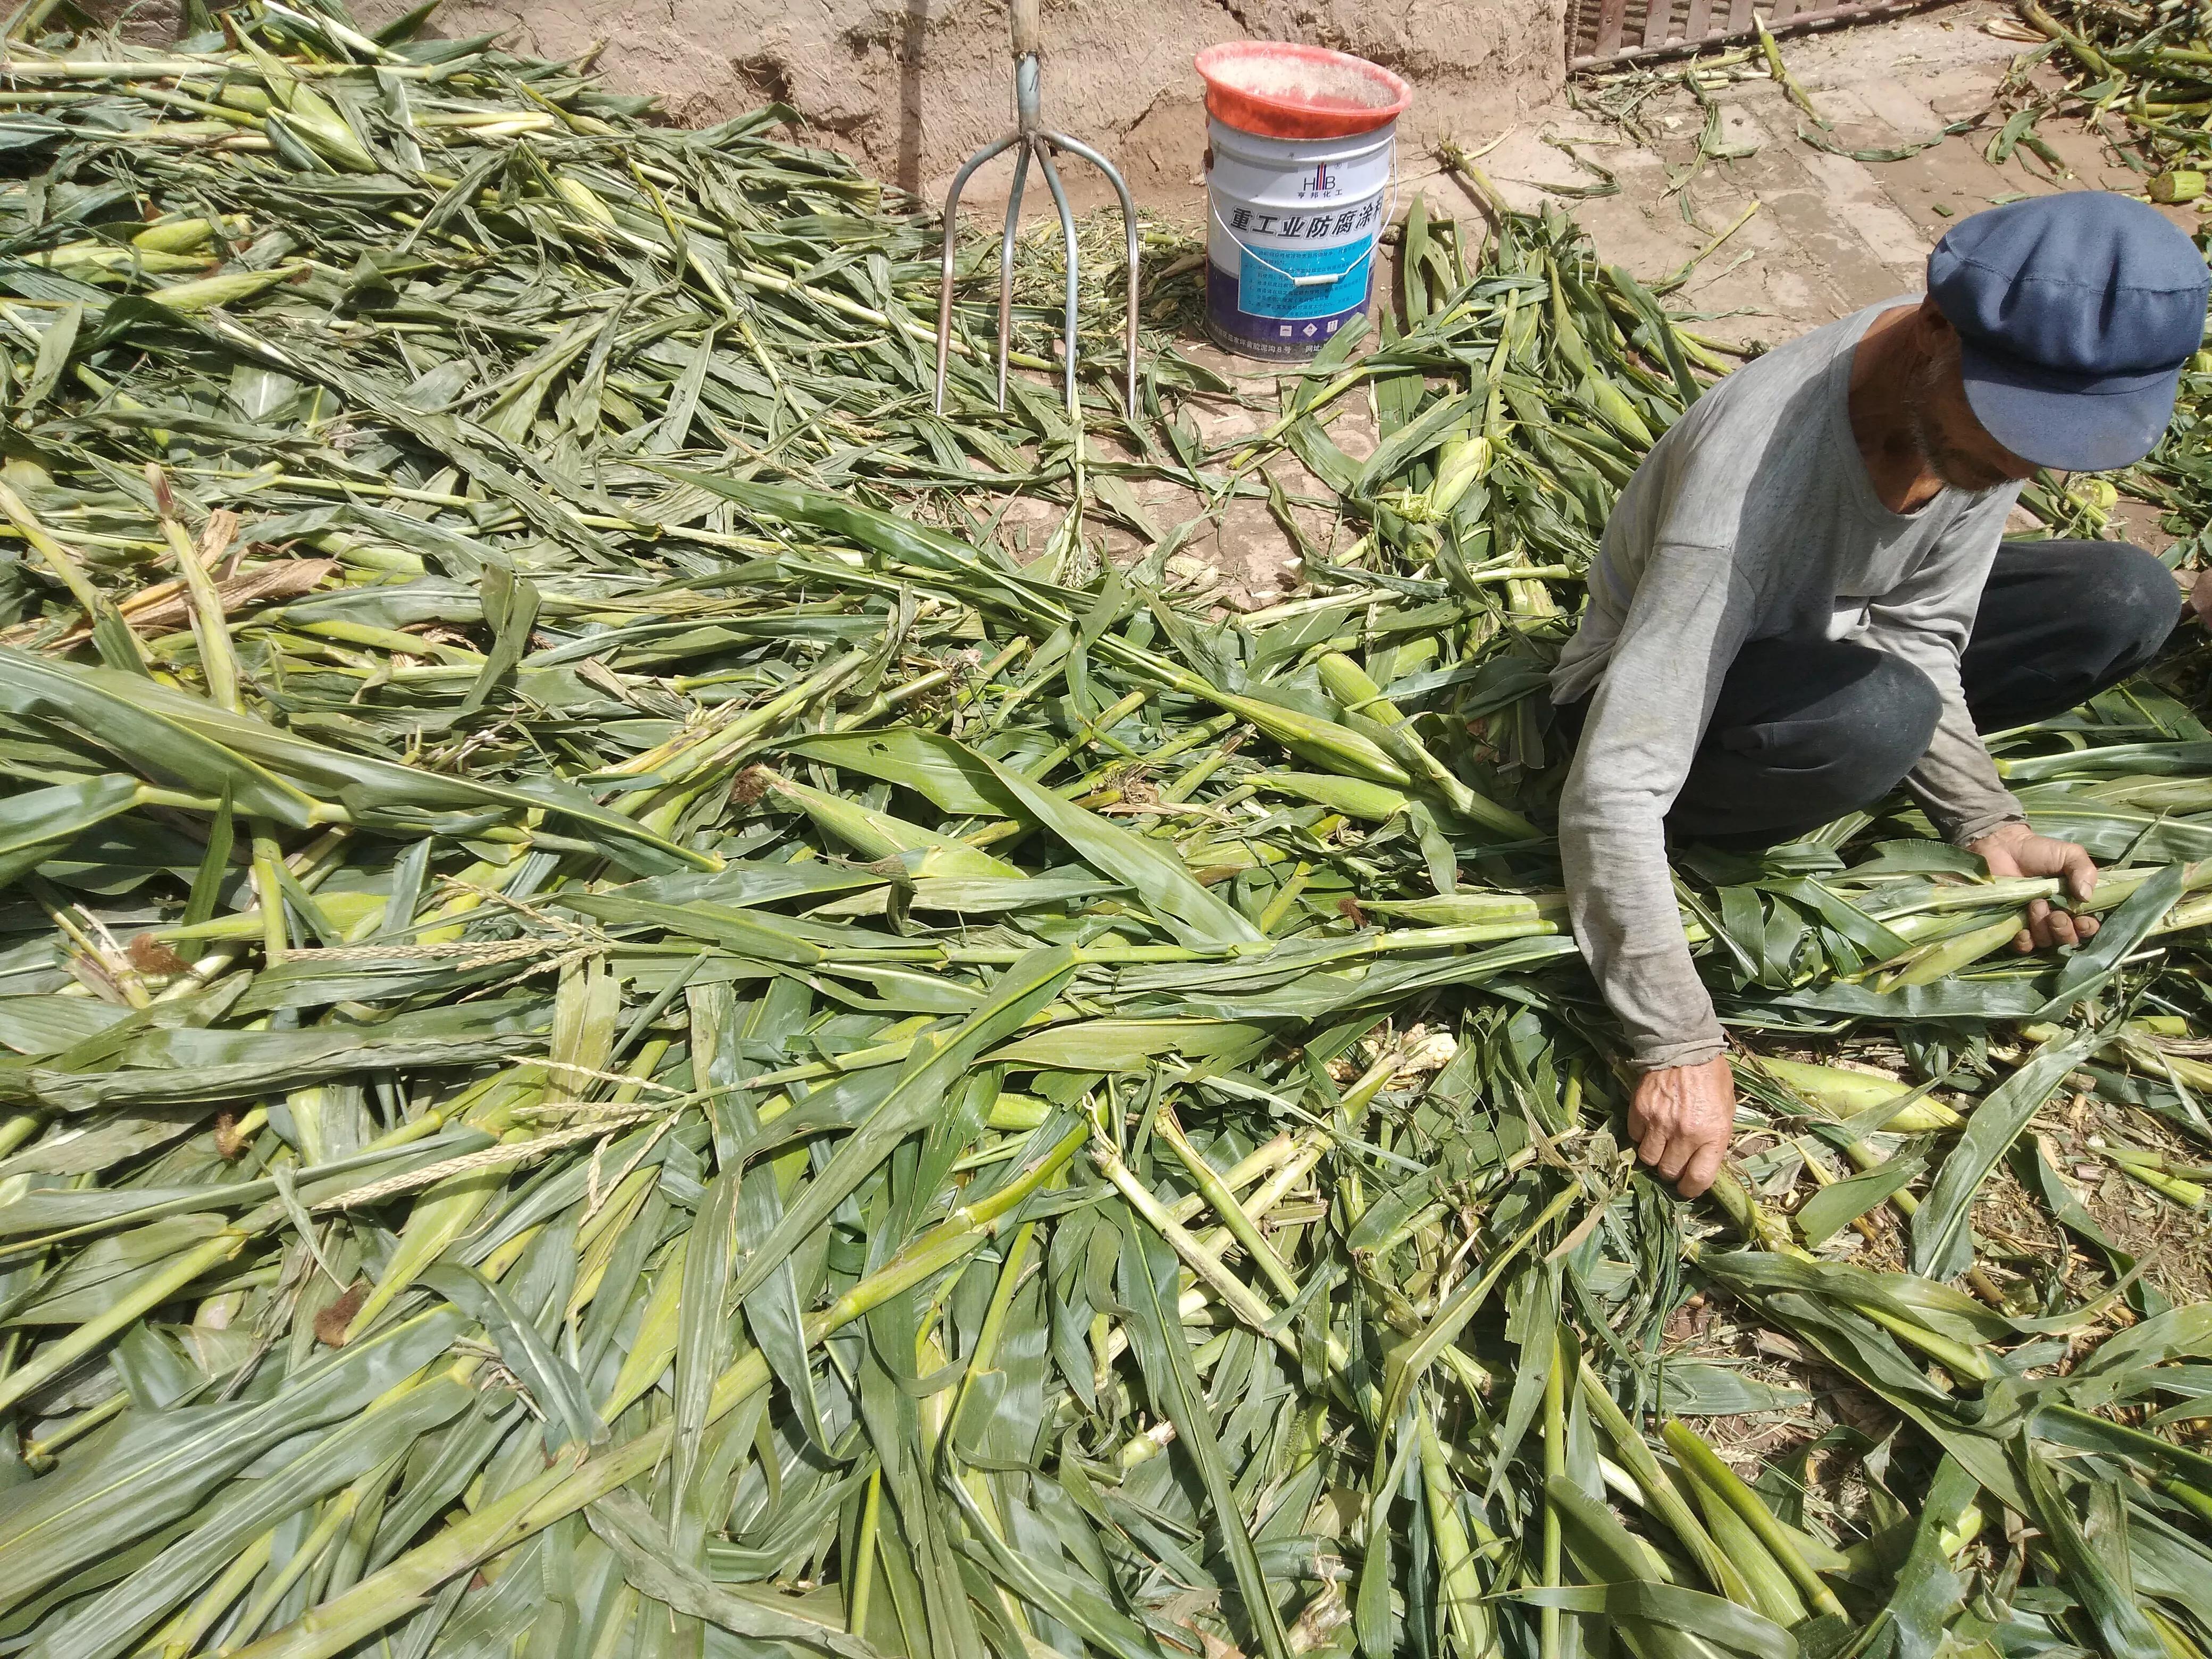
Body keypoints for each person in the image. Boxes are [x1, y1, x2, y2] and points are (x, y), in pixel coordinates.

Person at [1552, 191, 2207, 1199]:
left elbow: (1924, 632)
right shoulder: (1745, 500)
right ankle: (1804, 775)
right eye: (2011, 434)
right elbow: (1613, 787)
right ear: (1934, 334)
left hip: (1847, 636)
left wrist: (1988, 822)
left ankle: (1879, 744)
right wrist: (1675, 1040)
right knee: (1878, 716)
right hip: (1673, 701)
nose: (2020, 469)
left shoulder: (1972, 399)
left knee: (2126, 595)